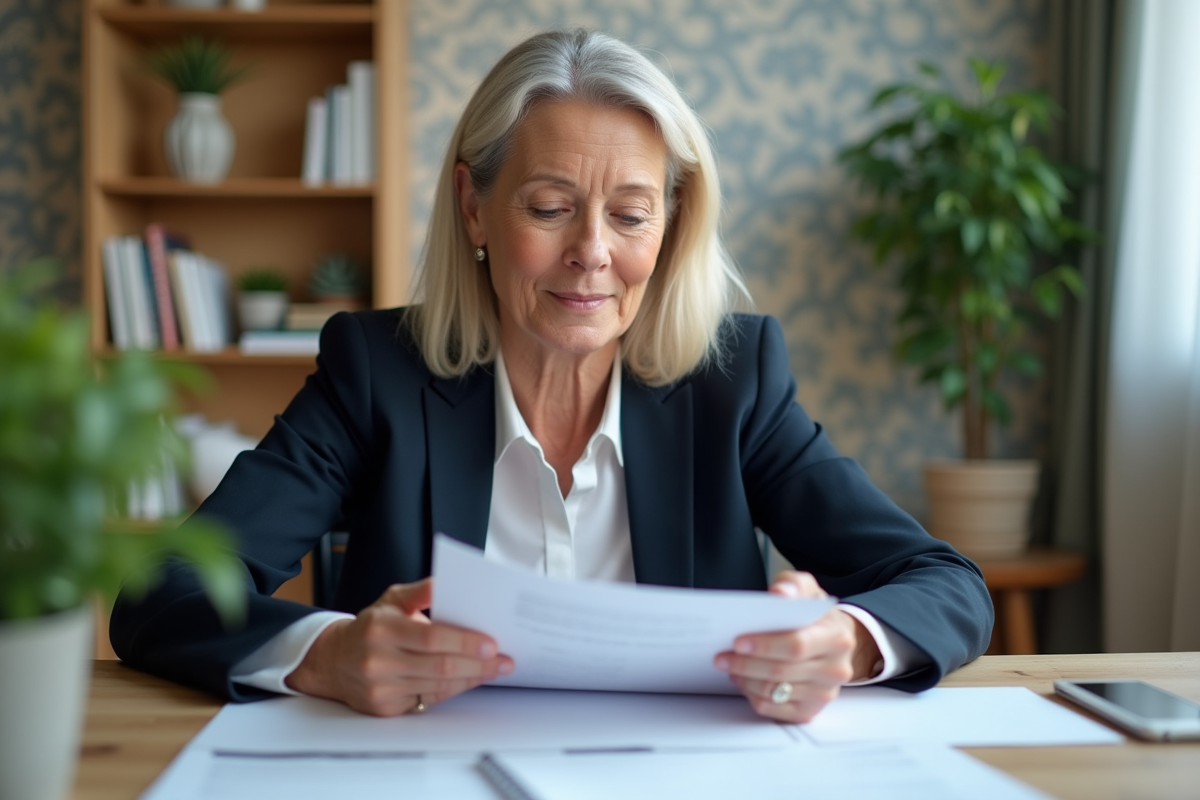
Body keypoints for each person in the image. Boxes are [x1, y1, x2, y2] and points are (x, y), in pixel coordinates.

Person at [111, 29, 992, 724]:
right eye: (550, 208)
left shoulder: (735, 382)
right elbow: (166, 595)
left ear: (671, 227)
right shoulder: (374, 373)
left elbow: (944, 582)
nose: (592, 255)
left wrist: (845, 638)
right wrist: (325, 653)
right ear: (473, 206)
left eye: (631, 215)